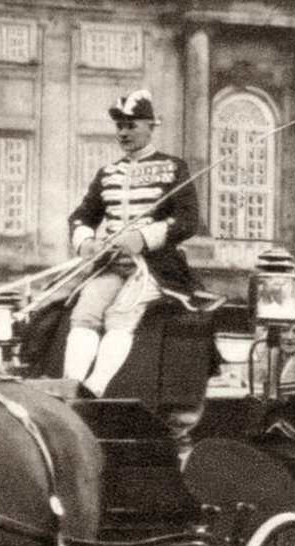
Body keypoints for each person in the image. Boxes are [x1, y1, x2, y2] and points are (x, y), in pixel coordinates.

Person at [63, 89, 202, 399]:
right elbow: (81, 216)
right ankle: (69, 389)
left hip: (154, 266)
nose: (123, 133)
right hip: (111, 263)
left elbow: (188, 220)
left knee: (119, 316)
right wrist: (87, 243)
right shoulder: (108, 174)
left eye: (131, 126)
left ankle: (94, 390)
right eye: (119, 126)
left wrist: (142, 238)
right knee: (84, 314)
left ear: (150, 127)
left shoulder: (173, 167)